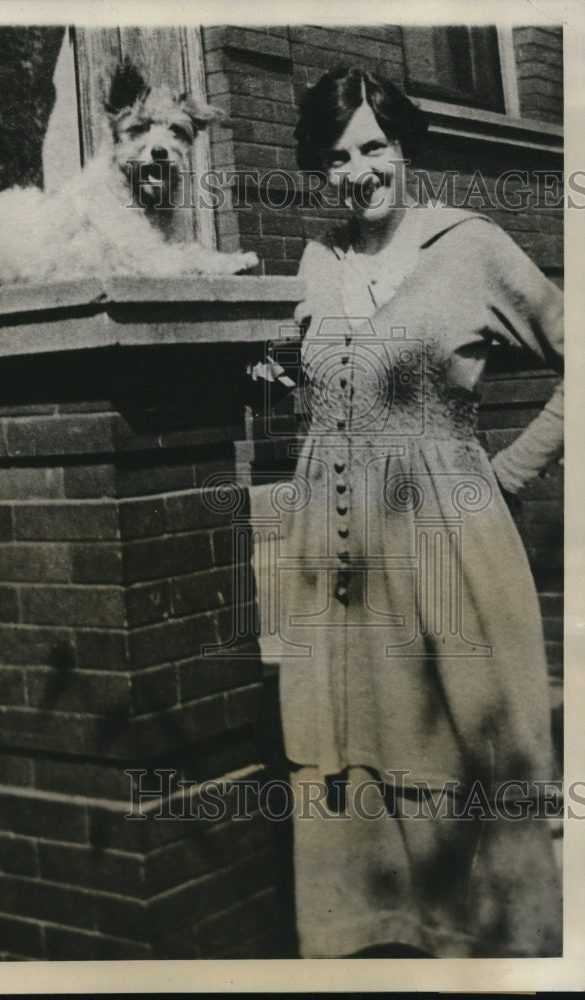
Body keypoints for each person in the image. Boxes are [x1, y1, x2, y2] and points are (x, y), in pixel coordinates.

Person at [251, 66, 563, 958]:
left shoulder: (470, 246)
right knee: (347, 742)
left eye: (376, 146)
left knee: (460, 740)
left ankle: (482, 946)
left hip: (446, 546)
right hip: (337, 561)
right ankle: (375, 939)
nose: (360, 170)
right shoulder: (319, 260)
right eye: (340, 154)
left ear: (404, 148)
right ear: (321, 167)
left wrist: (507, 473)